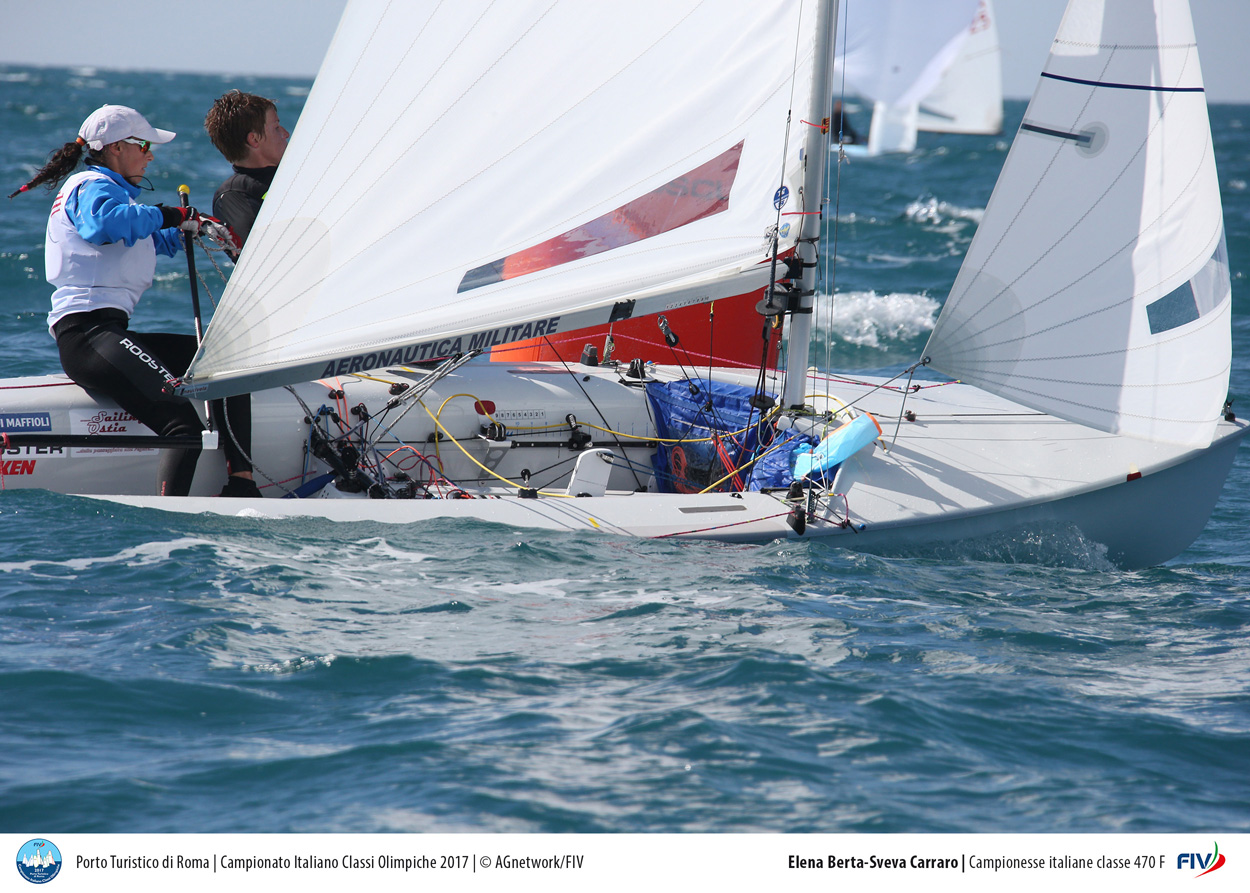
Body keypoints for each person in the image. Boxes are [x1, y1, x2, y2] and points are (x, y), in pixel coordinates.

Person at [9, 104, 261, 498]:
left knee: (224, 363)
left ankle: (242, 485)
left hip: (108, 333)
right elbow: (105, 225)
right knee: (184, 429)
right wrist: (171, 214)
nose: (150, 153)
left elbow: (144, 235)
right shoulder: (90, 187)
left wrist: (192, 230)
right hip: (88, 336)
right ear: (115, 148)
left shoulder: (111, 194)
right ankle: (168, 525)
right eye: (143, 145)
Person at [204, 90, 289, 259]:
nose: (286, 133)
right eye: (276, 127)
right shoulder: (233, 196)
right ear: (254, 140)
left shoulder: (294, 173)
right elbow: (258, 260)